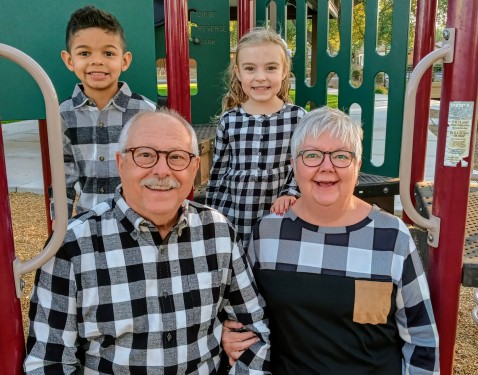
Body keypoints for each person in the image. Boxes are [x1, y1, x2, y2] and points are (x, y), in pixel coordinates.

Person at [24, 109, 271, 374]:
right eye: (145, 155)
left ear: (194, 167)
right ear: (121, 163)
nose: (162, 170)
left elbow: (253, 331)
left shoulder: (219, 233)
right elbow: (49, 360)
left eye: (176, 157)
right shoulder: (73, 246)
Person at [222, 107, 440, 374]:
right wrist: (228, 335)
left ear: (357, 165)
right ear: (294, 164)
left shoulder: (391, 237)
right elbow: (247, 321)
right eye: (312, 155)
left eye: (340, 156)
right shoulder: (268, 234)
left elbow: (421, 340)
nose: (326, 167)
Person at [205, 27, 306, 249]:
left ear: (284, 71)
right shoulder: (229, 120)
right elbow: (219, 172)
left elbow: (304, 163)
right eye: (250, 68)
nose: (260, 77)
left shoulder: (297, 117)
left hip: (281, 214)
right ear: (238, 73)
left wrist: (291, 192)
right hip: (236, 214)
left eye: (270, 68)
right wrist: (211, 216)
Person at [59, 5, 156, 217]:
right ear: (69, 60)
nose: (97, 60)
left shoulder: (146, 112)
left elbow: (156, 170)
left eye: (108, 53)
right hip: (88, 221)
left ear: (124, 61)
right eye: (84, 53)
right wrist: (60, 224)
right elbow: (62, 176)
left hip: (138, 218)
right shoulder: (63, 114)